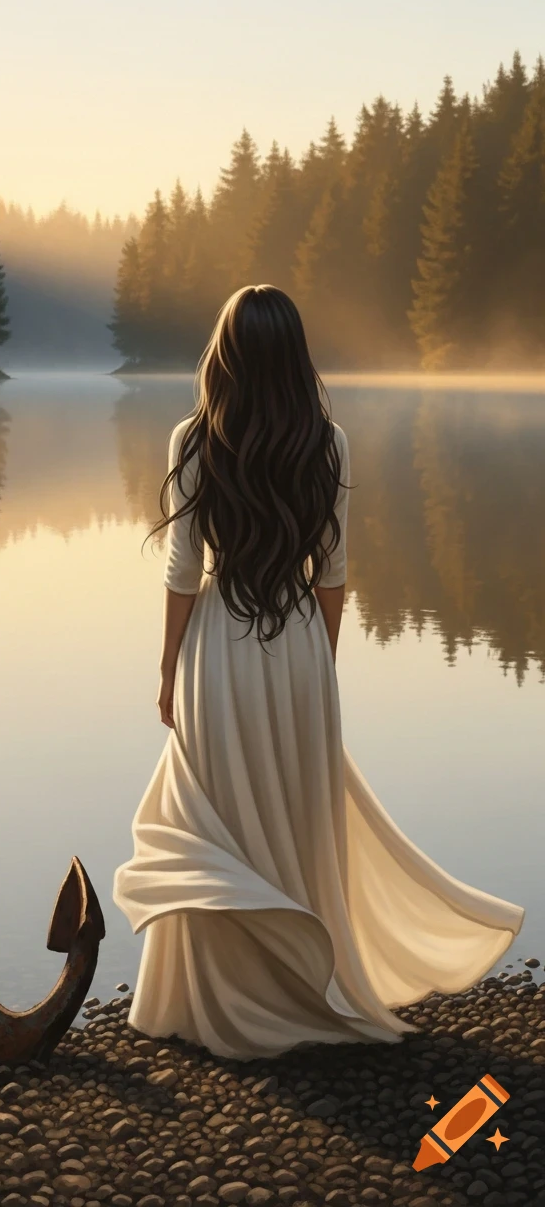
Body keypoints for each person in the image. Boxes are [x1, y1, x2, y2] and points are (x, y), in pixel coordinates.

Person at [113, 284, 525, 1060]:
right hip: (298, 641)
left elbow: (180, 573)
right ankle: (305, 982)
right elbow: (332, 572)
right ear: (296, 355)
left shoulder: (192, 441)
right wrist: (318, 666)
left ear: (225, 355)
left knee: (218, 813)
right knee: (297, 810)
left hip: (218, 645)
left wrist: (168, 672)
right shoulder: (327, 442)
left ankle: (216, 1001)